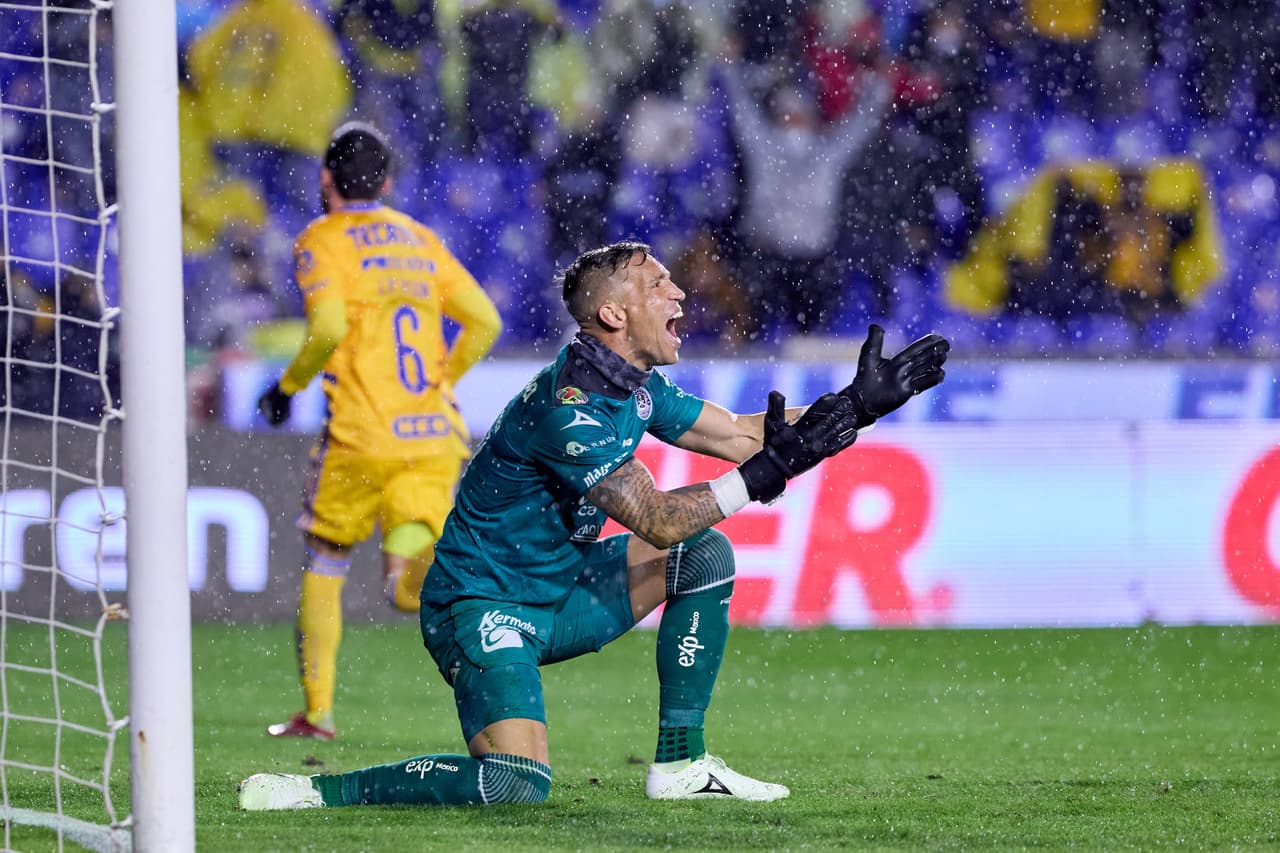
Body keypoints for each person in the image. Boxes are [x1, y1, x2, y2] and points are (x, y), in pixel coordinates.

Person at [239, 241, 948, 809]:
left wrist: (856, 406)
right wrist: (764, 475)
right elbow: (659, 518)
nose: (679, 293)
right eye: (659, 284)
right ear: (613, 314)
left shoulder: (634, 387)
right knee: (515, 784)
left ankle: (681, 764)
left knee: (705, 557)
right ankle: (318, 790)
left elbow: (739, 434)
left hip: (562, 592)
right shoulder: (568, 410)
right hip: (482, 605)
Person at [255, 122, 502, 741]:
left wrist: (287, 388)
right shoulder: (420, 239)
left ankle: (318, 712)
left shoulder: (321, 240)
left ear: (325, 178)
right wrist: (441, 381)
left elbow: (329, 328)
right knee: (405, 589)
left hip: (362, 435)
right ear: (387, 182)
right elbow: (485, 322)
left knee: (326, 559)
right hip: (432, 434)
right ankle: (456, 575)